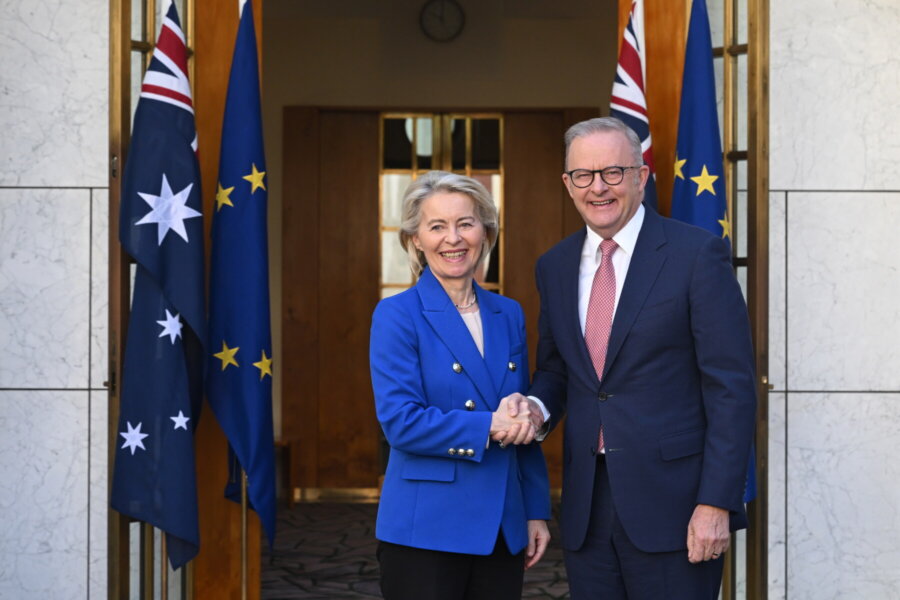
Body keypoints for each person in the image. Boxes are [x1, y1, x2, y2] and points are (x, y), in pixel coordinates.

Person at [510, 117, 757, 599]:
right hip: (587, 508)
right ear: (567, 184)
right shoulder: (554, 266)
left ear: (641, 176)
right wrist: (535, 409)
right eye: (583, 175)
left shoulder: (697, 255)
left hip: (678, 507)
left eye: (613, 172)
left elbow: (731, 389)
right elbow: (558, 370)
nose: (597, 187)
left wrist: (716, 503)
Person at [369, 171, 552, 600]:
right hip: (427, 529)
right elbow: (401, 423)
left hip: (502, 524)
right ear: (415, 239)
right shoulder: (397, 315)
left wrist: (535, 509)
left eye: (465, 223)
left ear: (485, 231)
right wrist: (489, 425)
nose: (453, 238)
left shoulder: (508, 313)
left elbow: (520, 416)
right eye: (437, 226)